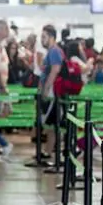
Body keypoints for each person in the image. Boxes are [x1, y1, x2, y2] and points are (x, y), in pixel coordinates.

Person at [39, 25, 63, 156]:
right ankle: (47, 151)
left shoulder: (54, 51)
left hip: (52, 92)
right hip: (51, 91)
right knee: (52, 124)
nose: (42, 40)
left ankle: (48, 151)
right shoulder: (52, 51)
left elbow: (55, 70)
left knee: (51, 123)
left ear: (52, 37)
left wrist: (46, 89)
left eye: (44, 37)